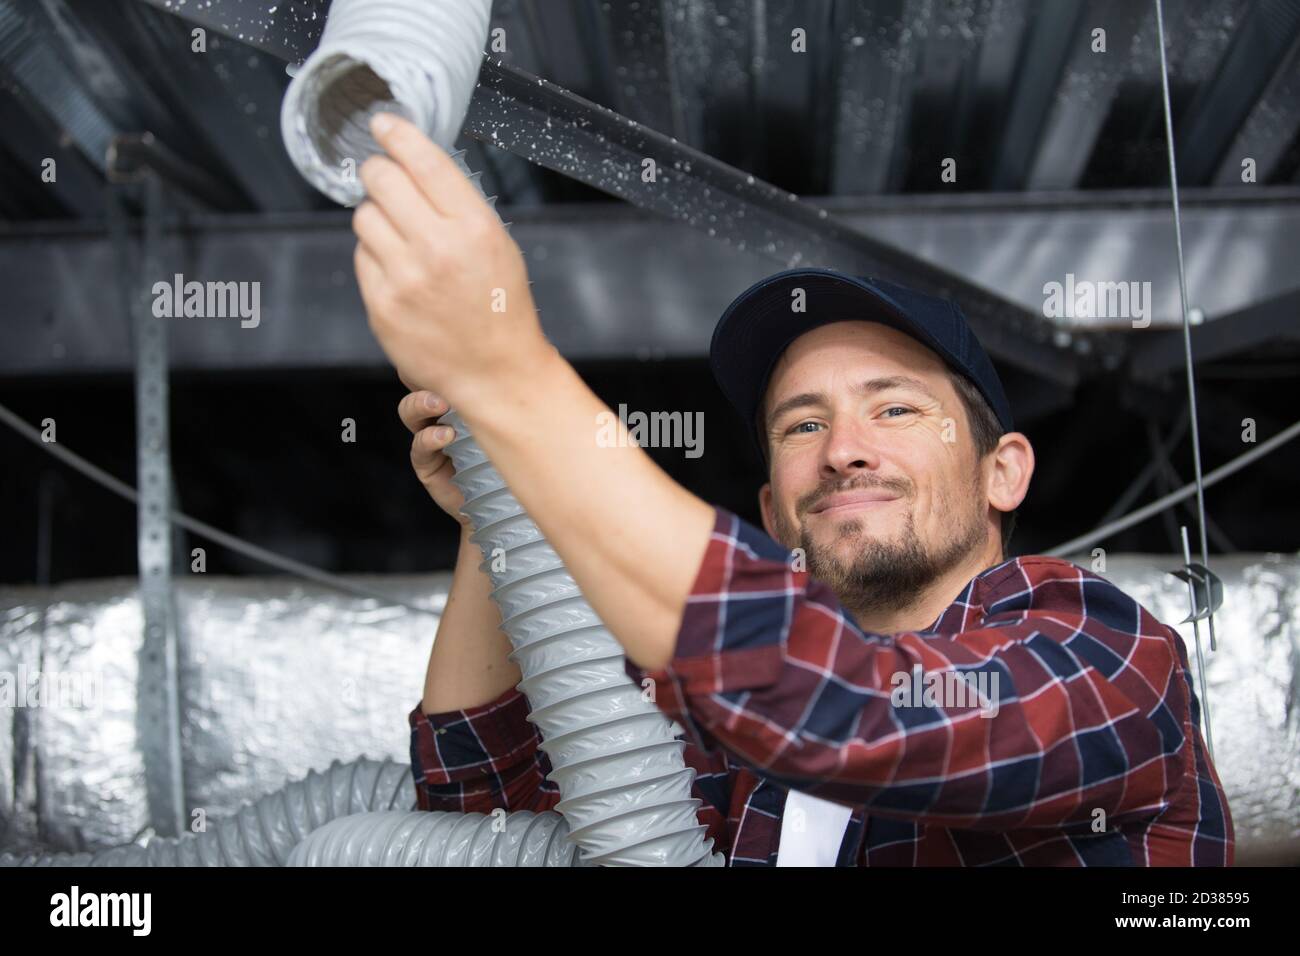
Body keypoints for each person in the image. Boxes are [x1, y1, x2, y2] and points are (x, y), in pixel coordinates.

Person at [360, 113, 1233, 866]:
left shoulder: (1106, 655)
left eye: (894, 408)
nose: (845, 450)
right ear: (775, 511)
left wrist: (514, 385)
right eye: (803, 425)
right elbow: (480, 819)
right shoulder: (701, 714)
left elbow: (857, 711)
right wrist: (498, 510)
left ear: (1002, 470)